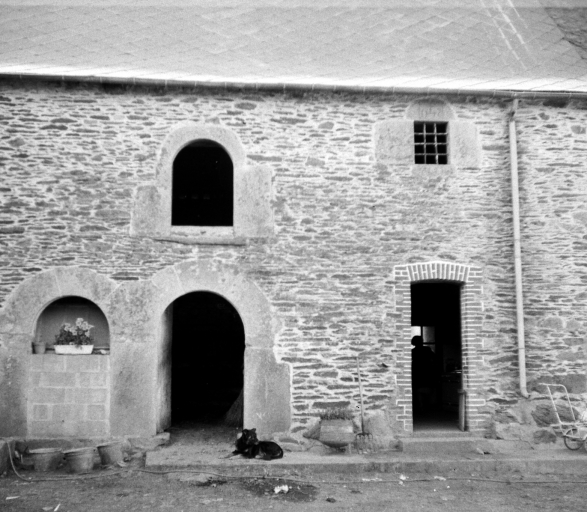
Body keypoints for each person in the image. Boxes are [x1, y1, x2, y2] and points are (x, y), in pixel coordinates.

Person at [411, 335, 438, 412]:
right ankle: (427, 406)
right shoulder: (427, 349)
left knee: (418, 390)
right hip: (426, 370)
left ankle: (421, 406)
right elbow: (435, 357)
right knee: (427, 389)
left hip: (417, 371)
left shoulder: (413, 351)